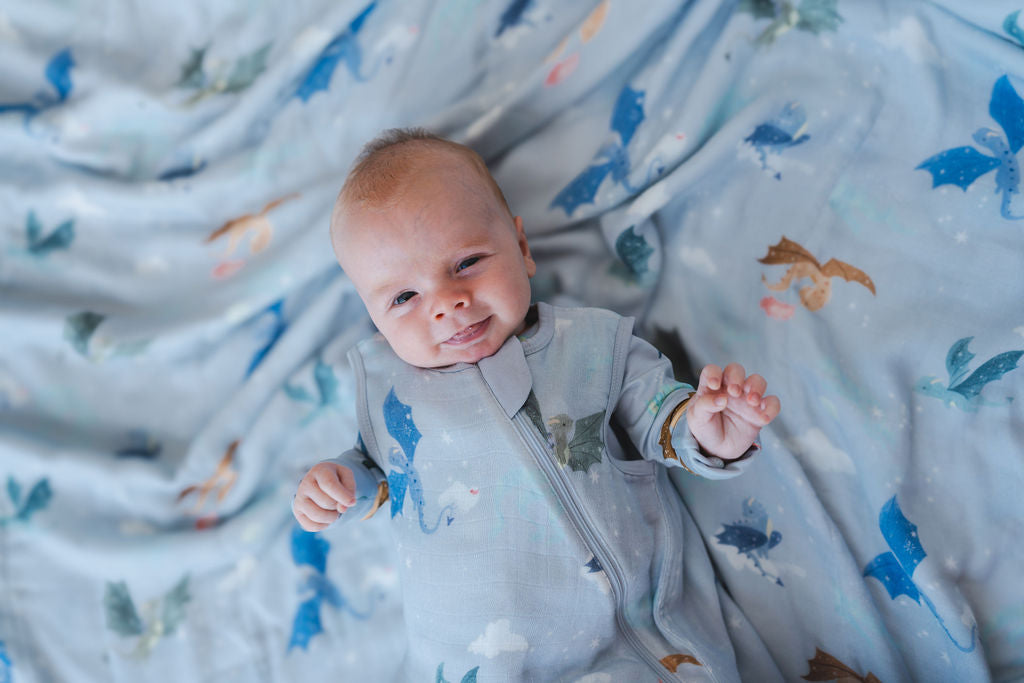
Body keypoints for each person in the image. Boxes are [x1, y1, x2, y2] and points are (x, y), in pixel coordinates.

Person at [292, 128, 782, 682]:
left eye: (466, 263)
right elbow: (378, 476)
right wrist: (341, 483)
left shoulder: (591, 345)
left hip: (627, 642)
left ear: (522, 249)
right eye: (404, 297)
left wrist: (705, 430)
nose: (448, 304)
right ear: (376, 319)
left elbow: (658, 417)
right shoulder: (390, 397)